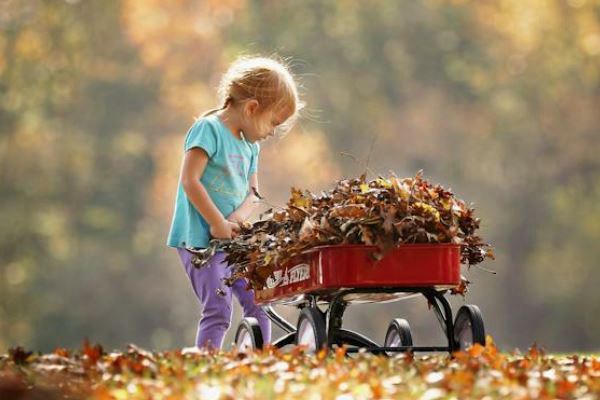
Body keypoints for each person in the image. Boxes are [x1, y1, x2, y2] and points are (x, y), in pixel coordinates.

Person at [167, 55, 303, 350]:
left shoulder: (250, 146)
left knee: (259, 299)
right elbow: (190, 180)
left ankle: (260, 358)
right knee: (218, 307)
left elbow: (253, 193)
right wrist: (217, 223)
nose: (271, 133)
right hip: (199, 241)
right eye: (273, 123)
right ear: (253, 108)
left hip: (231, 241)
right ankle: (208, 362)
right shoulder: (209, 129)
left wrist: (235, 222)